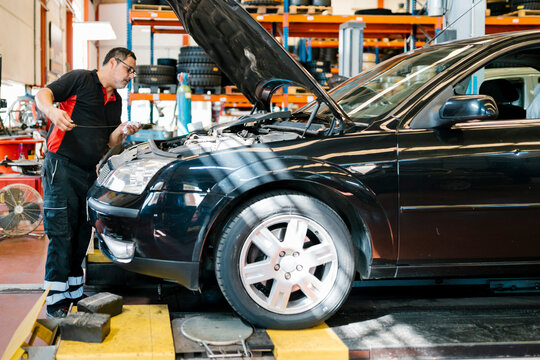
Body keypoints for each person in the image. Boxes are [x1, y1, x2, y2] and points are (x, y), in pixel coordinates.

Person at [35, 47, 141, 318]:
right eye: (128, 68)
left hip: (87, 171)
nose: (131, 75)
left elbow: (109, 142)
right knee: (61, 230)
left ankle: (73, 290)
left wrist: (122, 132)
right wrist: (52, 112)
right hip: (61, 165)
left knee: (83, 230)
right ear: (113, 62)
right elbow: (43, 93)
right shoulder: (81, 79)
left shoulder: (115, 100)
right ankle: (55, 299)